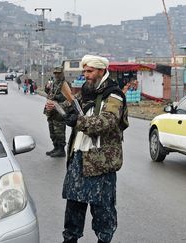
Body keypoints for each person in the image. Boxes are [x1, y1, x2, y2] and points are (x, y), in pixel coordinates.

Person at [61, 55, 127, 243]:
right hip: (78, 159)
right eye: (84, 71)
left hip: (101, 163)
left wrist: (78, 121)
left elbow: (107, 121)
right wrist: (54, 109)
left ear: (101, 71)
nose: (85, 75)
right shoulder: (85, 93)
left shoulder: (114, 96)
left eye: (89, 71)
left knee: (103, 209)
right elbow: (67, 109)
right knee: (73, 206)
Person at [44, 66, 67, 157]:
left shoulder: (65, 84)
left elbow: (66, 97)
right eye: (55, 73)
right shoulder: (54, 83)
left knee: (59, 132)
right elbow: (49, 93)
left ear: (62, 73)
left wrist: (55, 97)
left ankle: (61, 150)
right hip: (51, 111)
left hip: (59, 111)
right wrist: (47, 88)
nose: (57, 75)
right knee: (52, 132)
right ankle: (56, 147)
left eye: (58, 73)